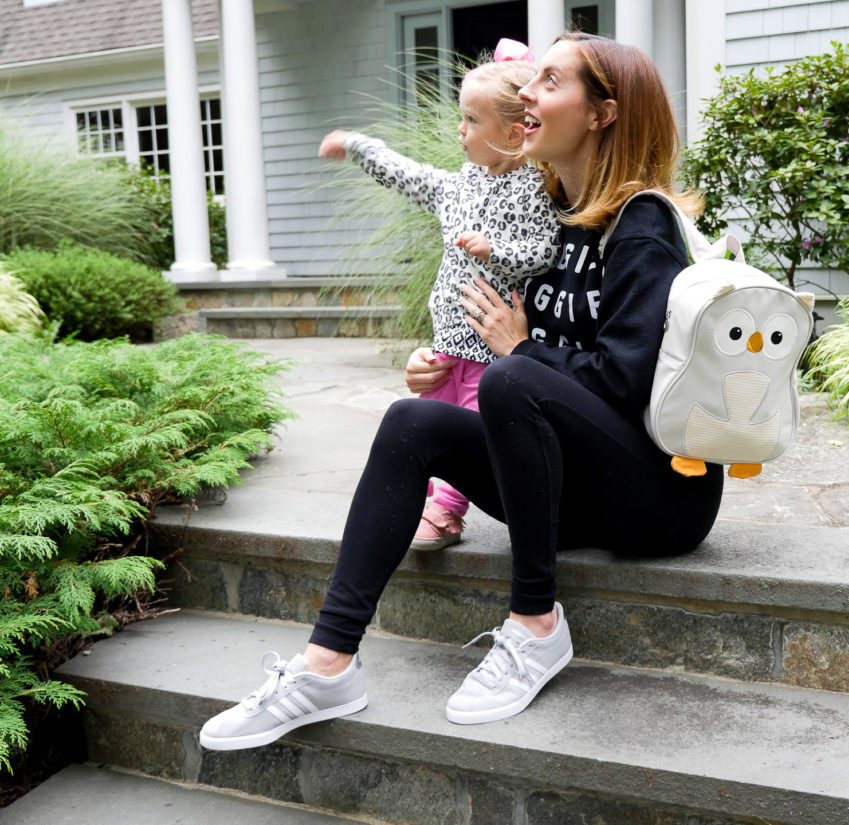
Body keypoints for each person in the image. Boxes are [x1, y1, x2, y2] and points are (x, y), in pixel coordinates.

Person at [199, 32, 724, 751]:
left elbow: (623, 382)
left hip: (659, 498)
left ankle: (536, 623)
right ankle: (328, 665)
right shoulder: (549, 211)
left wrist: (518, 350)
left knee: (512, 374)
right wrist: (448, 359)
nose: (528, 91)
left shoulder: (640, 223)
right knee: (411, 419)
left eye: (549, 81)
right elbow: (521, 348)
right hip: (573, 487)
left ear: (602, 113)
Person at [318, 40, 560, 553]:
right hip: (448, 336)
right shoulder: (461, 184)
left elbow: (543, 253)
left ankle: (447, 512)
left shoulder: (535, 189)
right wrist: (360, 147)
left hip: (492, 340)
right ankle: (424, 504)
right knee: (428, 422)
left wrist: (496, 251)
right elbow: (411, 177)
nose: (460, 130)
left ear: (515, 135)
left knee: (469, 427)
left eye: (471, 120)